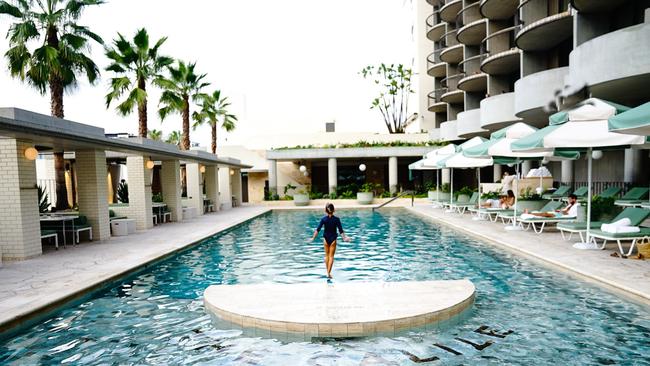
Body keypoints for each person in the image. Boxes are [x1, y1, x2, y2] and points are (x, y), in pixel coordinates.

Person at [311, 203, 350, 279]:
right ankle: (328, 273)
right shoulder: (336, 219)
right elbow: (340, 230)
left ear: (326, 211)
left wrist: (313, 238)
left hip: (325, 239)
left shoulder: (323, 219)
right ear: (334, 210)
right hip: (333, 239)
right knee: (331, 256)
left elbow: (317, 229)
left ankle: (328, 272)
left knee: (327, 256)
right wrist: (345, 238)